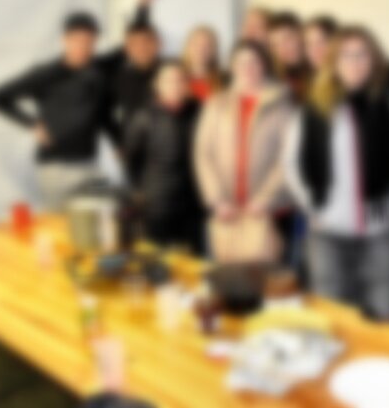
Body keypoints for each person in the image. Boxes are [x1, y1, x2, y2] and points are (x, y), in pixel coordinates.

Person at [284, 26, 389, 320]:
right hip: (327, 232)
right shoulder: (312, 109)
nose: (355, 63)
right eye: (346, 55)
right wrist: (312, 206)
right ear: (333, 62)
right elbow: (292, 165)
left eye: (362, 55)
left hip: (379, 230)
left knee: (383, 315)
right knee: (333, 316)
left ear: (374, 61)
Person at [0, 12, 117, 210]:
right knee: (61, 222)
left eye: (90, 42)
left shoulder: (98, 70)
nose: (84, 47)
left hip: (90, 164)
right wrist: (31, 124)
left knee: (101, 214)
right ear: (65, 40)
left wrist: (143, 6)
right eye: (78, 40)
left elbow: (128, 49)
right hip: (57, 168)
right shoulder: (46, 72)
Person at [193, 40, 295, 262]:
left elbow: (289, 157)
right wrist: (217, 199)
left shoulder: (282, 105)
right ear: (232, 67)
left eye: (254, 62)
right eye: (241, 62)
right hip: (226, 212)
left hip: (269, 212)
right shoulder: (215, 104)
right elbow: (203, 154)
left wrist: (265, 199)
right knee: (227, 277)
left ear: (264, 65)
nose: (247, 68)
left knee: (270, 280)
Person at [124, 61, 204, 255]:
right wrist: (139, 190)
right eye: (168, 80)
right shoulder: (143, 117)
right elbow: (132, 159)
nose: (175, 85)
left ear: (187, 84)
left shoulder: (200, 112)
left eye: (180, 80)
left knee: (194, 259)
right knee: (159, 259)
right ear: (157, 85)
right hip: (158, 204)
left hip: (194, 202)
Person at [97, 0, 161, 135]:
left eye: (147, 43)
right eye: (135, 45)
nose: (142, 48)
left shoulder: (170, 71)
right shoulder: (116, 76)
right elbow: (104, 114)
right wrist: (120, 141)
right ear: (127, 48)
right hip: (132, 144)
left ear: (157, 45)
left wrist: (144, 2)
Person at [268, 11, 313, 101]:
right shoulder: (278, 78)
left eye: (287, 39)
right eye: (276, 45)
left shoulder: (318, 70)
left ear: (301, 35)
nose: (283, 49)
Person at [181, 25, 224, 102]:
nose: (201, 50)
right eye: (196, 44)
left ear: (214, 51)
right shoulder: (176, 78)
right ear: (188, 47)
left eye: (207, 46)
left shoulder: (224, 81)